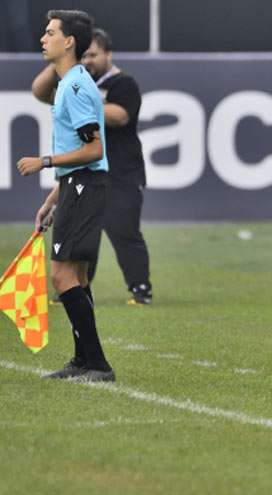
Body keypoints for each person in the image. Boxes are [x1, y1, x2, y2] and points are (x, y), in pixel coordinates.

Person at [16, 10, 115, 382]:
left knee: (61, 277)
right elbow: (84, 155)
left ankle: (99, 364)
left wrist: (44, 161)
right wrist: (52, 199)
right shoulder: (72, 83)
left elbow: (94, 150)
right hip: (77, 186)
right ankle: (83, 361)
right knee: (77, 277)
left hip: (86, 185)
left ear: (69, 41)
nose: (43, 38)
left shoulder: (75, 87)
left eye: (50, 32)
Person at [32, 28, 153, 304]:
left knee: (124, 231)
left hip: (123, 172)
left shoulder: (123, 84)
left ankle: (141, 288)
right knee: (85, 233)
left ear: (109, 54)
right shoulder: (75, 82)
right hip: (89, 171)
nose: (88, 61)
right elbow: (39, 91)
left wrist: (84, 101)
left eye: (94, 55)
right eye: (84, 55)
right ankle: (73, 289)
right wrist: (59, 63)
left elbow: (120, 116)